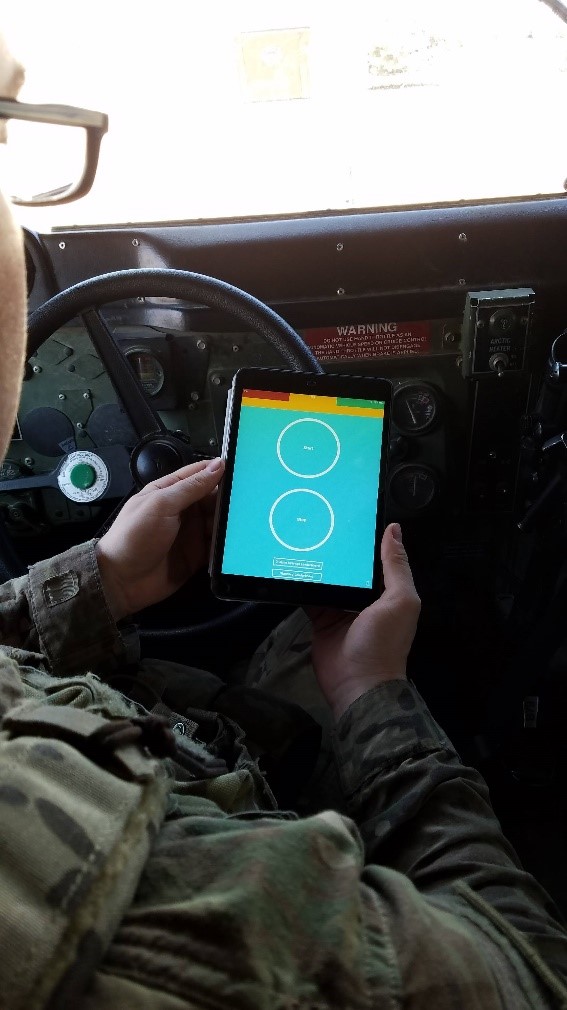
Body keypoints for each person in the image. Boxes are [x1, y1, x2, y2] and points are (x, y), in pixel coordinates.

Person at [1, 36, 567, 1010]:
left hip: (167, 725)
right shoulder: (147, 904)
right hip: (242, 774)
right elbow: (526, 967)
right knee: (300, 641)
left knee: (277, 633)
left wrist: (92, 583)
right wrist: (377, 698)